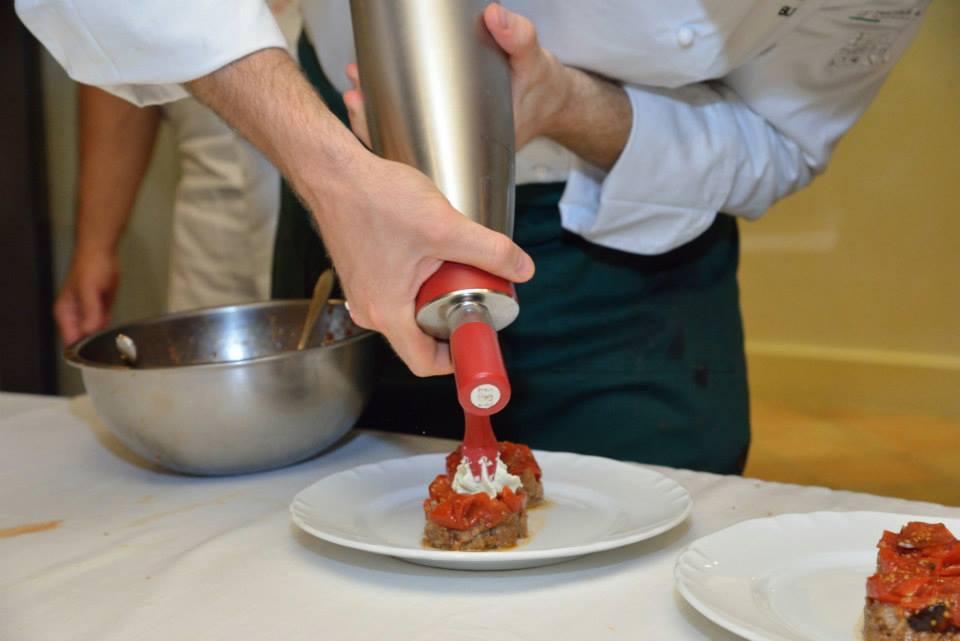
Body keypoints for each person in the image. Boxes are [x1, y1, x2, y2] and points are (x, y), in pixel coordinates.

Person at [19, 1, 930, 473]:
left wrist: (567, 103)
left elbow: (779, 140)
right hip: (351, 169)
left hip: (637, 240)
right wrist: (333, 174)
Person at [53, 1, 301, 345]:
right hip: (209, 203)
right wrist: (96, 244)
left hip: (337, 168)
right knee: (204, 361)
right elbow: (122, 34)